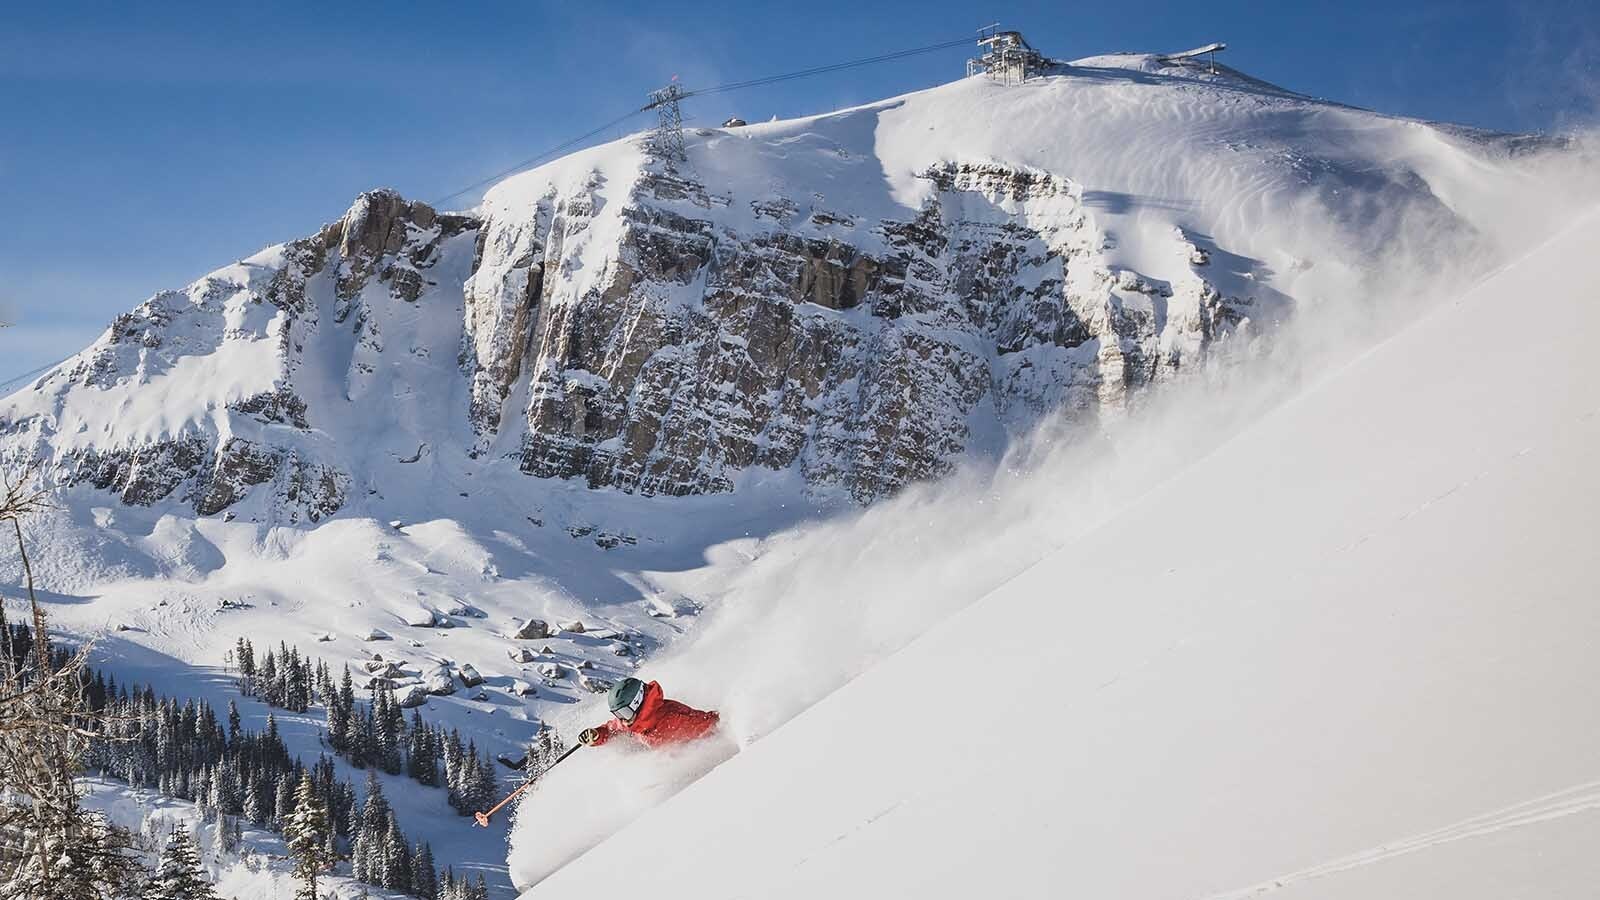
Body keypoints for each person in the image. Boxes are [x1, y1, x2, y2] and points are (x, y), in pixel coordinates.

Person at [579, 677, 719, 748]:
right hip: (654, 751)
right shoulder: (632, 721)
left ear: (637, 703)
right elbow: (611, 729)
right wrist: (597, 735)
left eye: (624, 713)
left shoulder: (672, 720)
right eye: (618, 714)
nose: (622, 720)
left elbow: (711, 724)